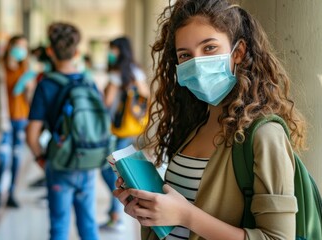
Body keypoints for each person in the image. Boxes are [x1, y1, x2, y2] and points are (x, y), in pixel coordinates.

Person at [113, 0, 307, 239]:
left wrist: (186, 216)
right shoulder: (192, 125)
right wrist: (149, 208)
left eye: (209, 48)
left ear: (238, 53)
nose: (196, 63)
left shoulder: (264, 135)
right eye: (185, 55)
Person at [26, 22, 100, 240]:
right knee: (88, 224)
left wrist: (42, 158)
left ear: (50, 51)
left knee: (59, 226)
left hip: (59, 163)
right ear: (77, 52)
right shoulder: (88, 81)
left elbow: (32, 134)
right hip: (87, 162)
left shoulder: (45, 85)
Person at [100, 36, 150, 231]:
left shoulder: (116, 73)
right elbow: (145, 95)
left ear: (119, 50)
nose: (110, 54)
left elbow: (107, 102)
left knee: (110, 169)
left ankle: (117, 214)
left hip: (118, 128)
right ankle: (115, 214)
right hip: (130, 126)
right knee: (117, 168)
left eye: (112, 50)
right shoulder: (135, 70)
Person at [0, 35, 35, 208]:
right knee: (3, 159)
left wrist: (29, 88)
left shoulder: (26, 70)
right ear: (10, 47)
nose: (21, 51)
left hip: (21, 120)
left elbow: (31, 99)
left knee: (17, 158)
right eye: (18, 46)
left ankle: (11, 193)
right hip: (3, 122)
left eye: (24, 47)